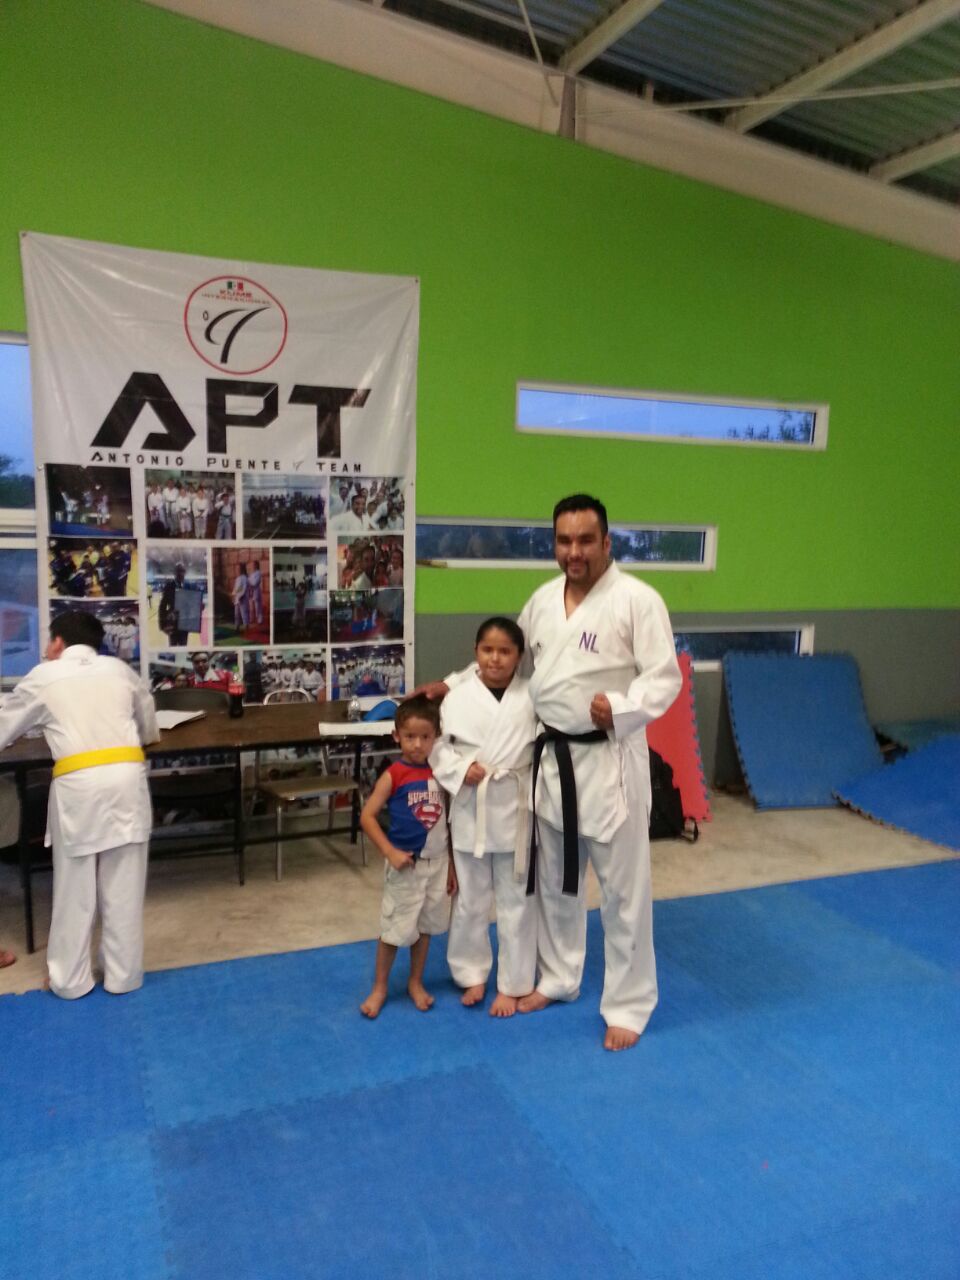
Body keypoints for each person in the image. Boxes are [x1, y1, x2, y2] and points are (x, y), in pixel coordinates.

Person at [421, 494, 681, 1051]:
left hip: (609, 759)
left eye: (585, 540)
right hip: (551, 760)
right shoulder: (541, 601)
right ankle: (560, 978)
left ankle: (629, 1004)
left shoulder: (637, 601)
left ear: (607, 542)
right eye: (564, 541)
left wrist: (623, 707)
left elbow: (664, 677)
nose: (574, 552)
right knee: (558, 884)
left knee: (624, 893)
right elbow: (507, 661)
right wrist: (454, 683)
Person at [0, 610, 159, 999]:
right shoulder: (120, 671)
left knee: (75, 889)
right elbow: (148, 727)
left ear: (58, 642)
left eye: (49, 642)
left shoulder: (44, 676)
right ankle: (124, 976)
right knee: (124, 886)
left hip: (80, 786)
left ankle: (70, 981)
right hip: (128, 780)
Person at [431, 618, 538, 1017]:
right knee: (470, 900)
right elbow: (437, 747)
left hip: (517, 808)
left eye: (505, 651)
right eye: (488, 650)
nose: (495, 659)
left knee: (517, 902)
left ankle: (514, 983)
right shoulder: (456, 698)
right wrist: (461, 769)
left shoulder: (532, 695)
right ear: (475, 652)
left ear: (519, 656)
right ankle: (470, 972)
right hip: (470, 806)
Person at [359, 695, 455, 1019]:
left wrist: (452, 866)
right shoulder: (394, 774)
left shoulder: (442, 773)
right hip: (405, 866)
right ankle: (380, 987)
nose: (417, 744)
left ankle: (416, 981)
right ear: (396, 736)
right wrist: (389, 851)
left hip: (437, 863)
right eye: (410, 736)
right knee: (393, 930)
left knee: (424, 927)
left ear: (436, 737)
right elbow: (367, 816)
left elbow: (449, 821)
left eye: (425, 737)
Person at [158, 562, 189, 645]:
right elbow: (162, 606)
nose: (181, 573)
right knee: (173, 647)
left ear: (185, 573)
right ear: (175, 573)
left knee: (183, 647)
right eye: (179, 571)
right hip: (172, 624)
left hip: (185, 625)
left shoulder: (188, 586)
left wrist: (199, 607)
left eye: (182, 571)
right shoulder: (169, 586)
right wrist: (162, 625)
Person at [246, 560, 264, 625]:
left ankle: (259, 619)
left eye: (254, 565)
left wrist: (250, 582)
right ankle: (252, 619)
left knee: (257, 606)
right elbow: (248, 581)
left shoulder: (258, 573)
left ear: (256, 566)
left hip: (256, 591)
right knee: (251, 606)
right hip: (251, 591)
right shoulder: (252, 574)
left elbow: (255, 583)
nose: (253, 566)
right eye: (253, 565)